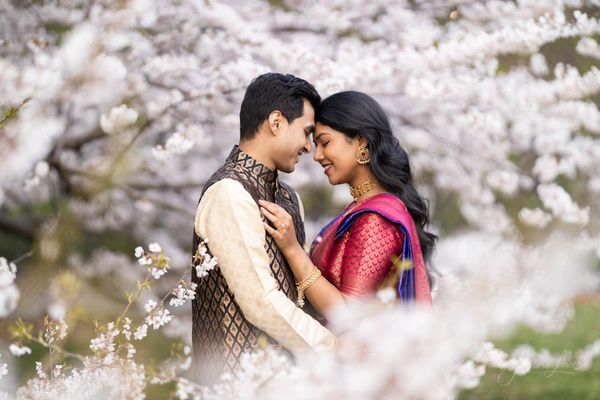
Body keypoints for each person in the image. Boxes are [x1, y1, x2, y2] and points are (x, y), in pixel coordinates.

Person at [191, 73, 336, 385]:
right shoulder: (228, 192)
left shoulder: (289, 198)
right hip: (232, 385)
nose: (309, 147)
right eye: (306, 133)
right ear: (276, 122)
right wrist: (332, 348)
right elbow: (260, 301)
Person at [259, 91, 437, 319]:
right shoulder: (361, 209)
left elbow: (347, 315)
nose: (317, 156)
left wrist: (292, 250)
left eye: (325, 142)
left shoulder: (377, 220)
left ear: (361, 142)